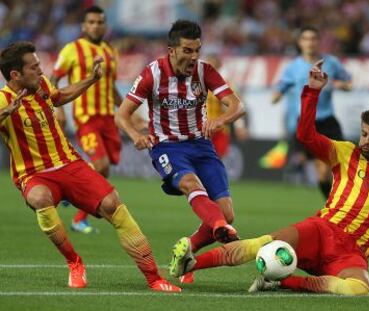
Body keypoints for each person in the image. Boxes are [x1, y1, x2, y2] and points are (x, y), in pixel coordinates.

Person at [168, 60, 369, 296]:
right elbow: (306, 136)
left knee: (359, 288)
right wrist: (312, 93)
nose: (366, 141)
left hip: (351, 253)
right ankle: (190, 264)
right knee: (262, 244)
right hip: (321, 231)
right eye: (363, 134)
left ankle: (283, 283)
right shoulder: (345, 152)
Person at [0, 41, 180, 292]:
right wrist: (5, 112)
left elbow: (60, 96)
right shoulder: (3, 100)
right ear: (15, 75)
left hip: (69, 163)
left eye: (39, 65)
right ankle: (74, 262)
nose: (41, 71)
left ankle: (154, 278)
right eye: (34, 67)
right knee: (40, 198)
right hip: (33, 174)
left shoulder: (41, 86)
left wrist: (91, 80)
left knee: (113, 204)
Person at [116, 20, 245, 283]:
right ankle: (220, 227)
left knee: (227, 212)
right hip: (167, 146)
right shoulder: (152, 74)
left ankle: (187, 249)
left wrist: (221, 120)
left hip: (201, 144)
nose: (193, 56)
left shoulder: (205, 71)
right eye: (187, 50)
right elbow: (122, 115)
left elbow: (237, 105)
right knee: (190, 183)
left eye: (197, 49)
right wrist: (136, 135)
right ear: (171, 50)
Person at [51, 6, 123, 233]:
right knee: (100, 164)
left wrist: (126, 110)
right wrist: (58, 107)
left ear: (105, 25)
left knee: (105, 169)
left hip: (108, 119)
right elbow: (54, 77)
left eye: (100, 22)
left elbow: (111, 86)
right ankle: (70, 189)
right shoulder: (72, 49)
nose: (96, 25)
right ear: (83, 26)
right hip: (86, 117)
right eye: (91, 22)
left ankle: (78, 218)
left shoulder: (111, 52)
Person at [272, 26, 352, 199]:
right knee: (322, 172)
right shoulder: (293, 68)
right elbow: (279, 90)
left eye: (313, 38)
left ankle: (341, 202)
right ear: (300, 42)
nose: (310, 42)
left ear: (318, 42)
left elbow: (349, 83)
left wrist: (341, 85)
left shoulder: (331, 63)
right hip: (308, 123)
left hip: (328, 122)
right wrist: (277, 95)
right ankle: (333, 204)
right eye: (306, 39)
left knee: (343, 167)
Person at [205, 54, 248, 159]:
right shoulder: (197, 83)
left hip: (220, 129)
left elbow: (236, 104)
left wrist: (239, 125)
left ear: (218, 67)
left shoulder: (225, 84)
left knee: (216, 159)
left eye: (212, 66)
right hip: (202, 129)